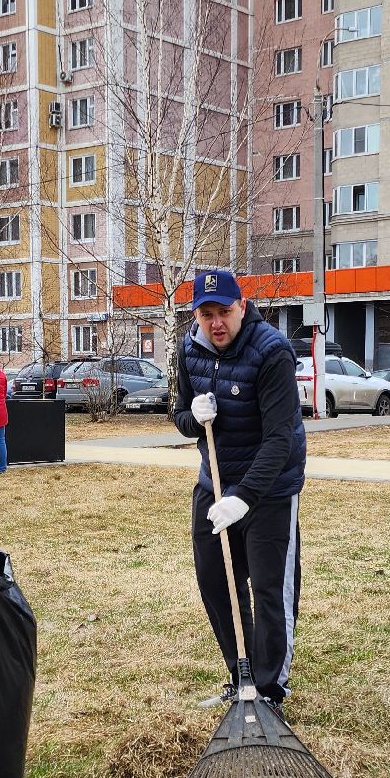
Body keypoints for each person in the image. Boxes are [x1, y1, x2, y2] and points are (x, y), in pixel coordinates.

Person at [171, 270, 306, 706]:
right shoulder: (189, 350)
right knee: (216, 581)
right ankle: (241, 677)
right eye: (206, 313)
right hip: (214, 484)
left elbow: (280, 438)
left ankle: (269, 688)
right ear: (195, 315)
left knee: (269, 590)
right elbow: (182, 419)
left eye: (224, 312)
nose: (216, 323)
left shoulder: (272, 352)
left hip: (268, 490)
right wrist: (194, 416)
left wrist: (243, 498)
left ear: (242, 306)